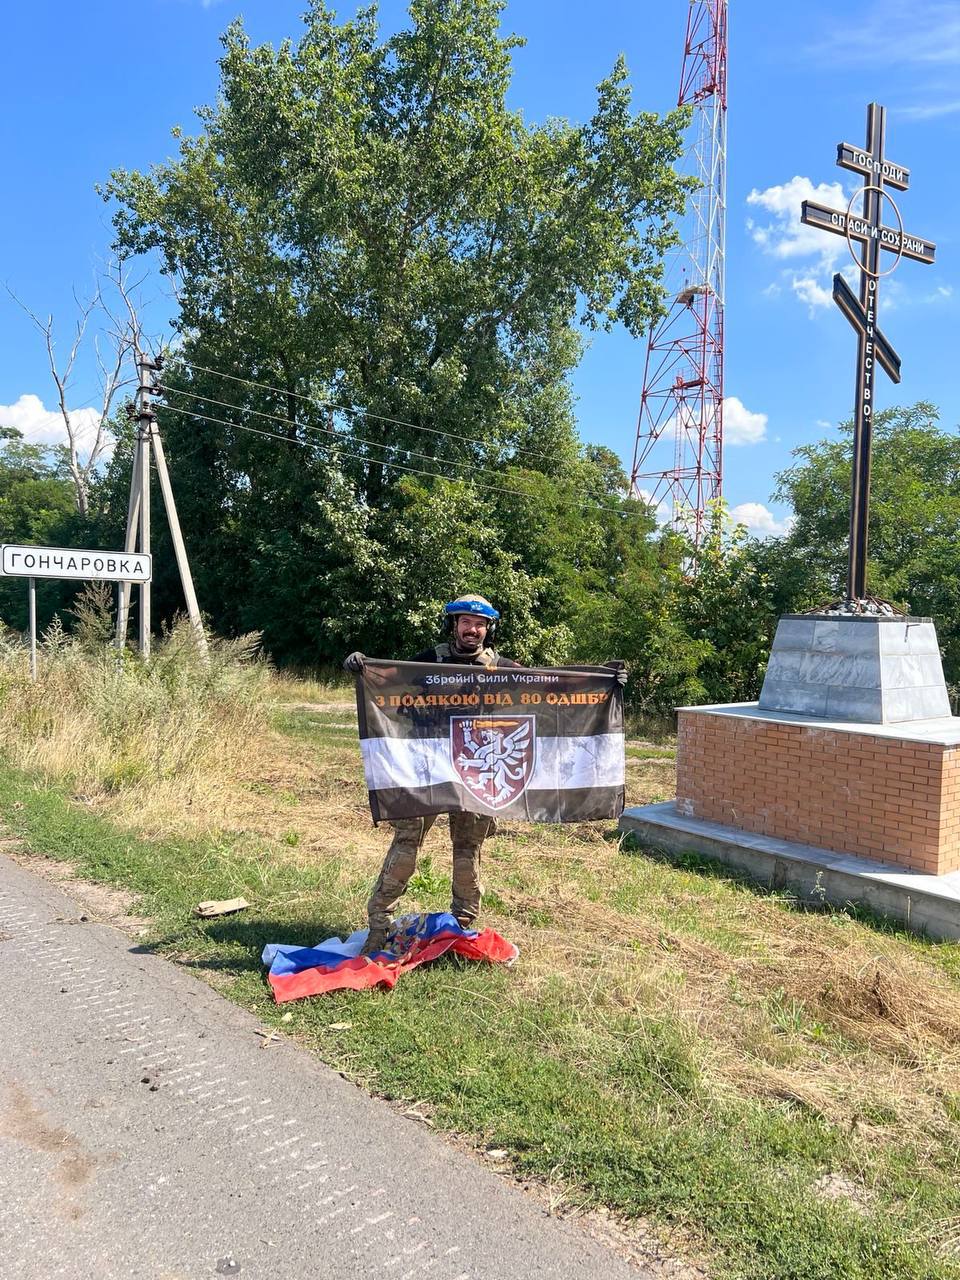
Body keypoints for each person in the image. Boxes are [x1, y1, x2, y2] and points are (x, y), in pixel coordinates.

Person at [344, 594, 519, 955]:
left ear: (489, 628)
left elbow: (551, 686)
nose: (473, 630)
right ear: (453, 625)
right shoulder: (426, 662)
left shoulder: (501, 666)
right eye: (466, 622)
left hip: (476, 769)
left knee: (468, 851)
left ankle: (459, 929)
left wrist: (605, 679)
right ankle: (378, 926)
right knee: (406, 845)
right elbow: (388, 678)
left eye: (480, 623)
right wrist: (363, 666)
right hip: (425, 767)